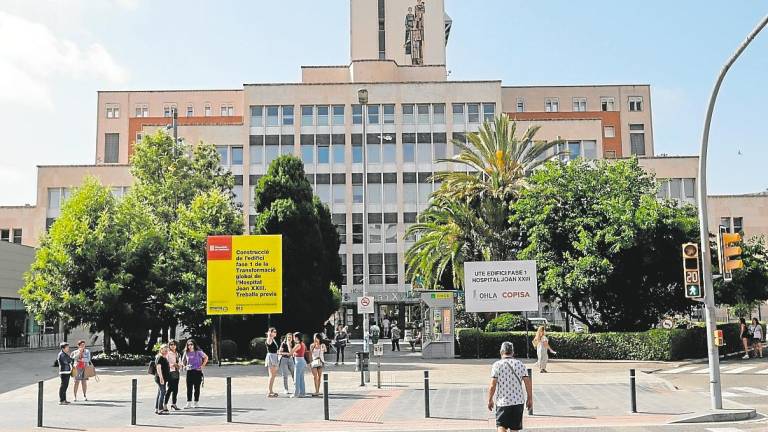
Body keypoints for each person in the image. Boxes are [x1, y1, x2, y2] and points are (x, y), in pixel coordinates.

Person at [487, 341, 532, 432]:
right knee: (515, 429)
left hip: (503, 403)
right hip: (518, 402)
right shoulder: (520, 364)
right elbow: (528, 383)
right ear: (513, 352)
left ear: (501, 352)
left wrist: (490, 399)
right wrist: (530, 398)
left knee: (501, 427)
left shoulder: (497, 365)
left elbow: (493, 385)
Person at [182, 339, 208, 408]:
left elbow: (206, 357)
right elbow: (183, 361)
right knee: (189, 387)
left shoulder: (199, 352)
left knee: (197, 387)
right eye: (188, 345)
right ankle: (189, 402)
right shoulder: (186, 352)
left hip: (197, 371)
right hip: (189, 371)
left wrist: (202, 366)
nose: (190, 346)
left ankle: (196, 402)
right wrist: (185, 366)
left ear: (194, 345)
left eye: (191, 344)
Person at [164, 340, 182, 410]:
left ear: (176, 345)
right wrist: (173, 365)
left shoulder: (178, 354)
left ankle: (174, 404)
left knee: (176, 389)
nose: (172, 346)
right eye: (171, 344)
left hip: (177, 372)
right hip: (170, 372)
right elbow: (166, 364)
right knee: (170, 389)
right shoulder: (168, 353)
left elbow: (180, 363)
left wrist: (180, 365)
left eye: (174, 344)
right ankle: (165, 404)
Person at [154, 344, 170, 415]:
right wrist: (161, 378)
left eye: (167, 349)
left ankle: (157, 408)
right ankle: (160, 409)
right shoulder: (160, 358)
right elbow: (158, 368)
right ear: (161, 350)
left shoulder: (164, 357)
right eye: (164, 349)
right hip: (160, 378)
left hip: (163, 378)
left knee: (160, 393)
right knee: (163, 392)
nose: (166, 350)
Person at [291, 332, 307, 398]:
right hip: (302, 360)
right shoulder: (302, 344)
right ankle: (302, 393)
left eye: (294, 337)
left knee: (296, 378)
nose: (293, 338)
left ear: (297, 337)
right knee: (301, 378)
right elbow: (298, 352)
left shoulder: (298, 344)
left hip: (299, 362)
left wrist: (288, 345)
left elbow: (291, 352)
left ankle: (296, 393)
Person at [265, 327, 280, 397]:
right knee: (271, 375)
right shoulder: (269, 339)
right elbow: (268, 343)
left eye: (275, 331)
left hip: (274, 356)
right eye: (274, 331)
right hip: (271, 357)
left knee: (273, 375)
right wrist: (269, 335)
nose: (275, 333)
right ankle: (269, 391)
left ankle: (271, 390)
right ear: (271, 332)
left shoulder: (273, 339)